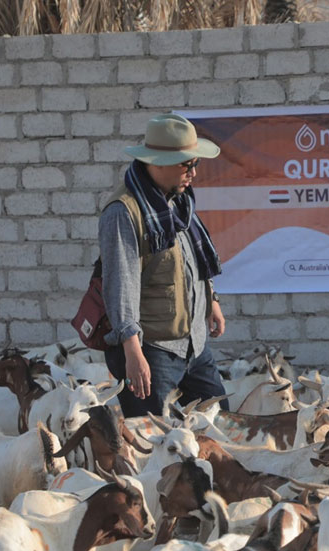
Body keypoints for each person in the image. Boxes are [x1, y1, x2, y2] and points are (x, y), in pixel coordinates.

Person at [98, 112, 230, 417]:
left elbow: (190, 261)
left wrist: (211, 300)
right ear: (157, 162)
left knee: (219, 426)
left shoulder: (178, 201)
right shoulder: (124, 212)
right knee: (154, 445)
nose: (194, 173)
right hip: (152, 352)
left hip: (194, 347)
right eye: (188, 164)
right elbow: (120, 284)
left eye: (196, 163)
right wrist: (133, 352)